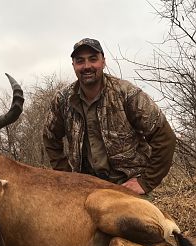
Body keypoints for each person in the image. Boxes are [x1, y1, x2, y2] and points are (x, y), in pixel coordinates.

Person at [43, 38, 176, 195]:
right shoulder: (62, 100)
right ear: (73, 66)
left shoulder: (127, 93)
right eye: (80, 61)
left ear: (103, 62)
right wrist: (66, 177)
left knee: (135, 220)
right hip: (85, 187)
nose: (87, 66)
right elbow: (50, 137)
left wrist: (146, 182)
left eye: (93, 59)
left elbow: (164, 137)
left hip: (126, 185)